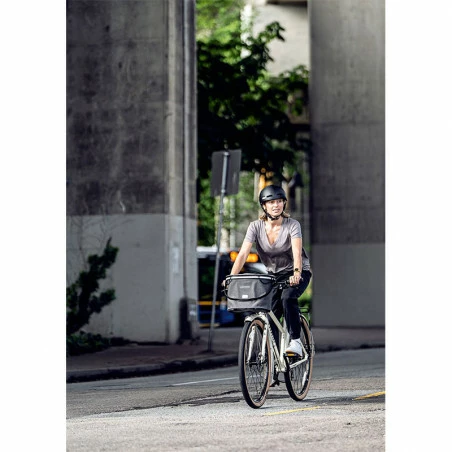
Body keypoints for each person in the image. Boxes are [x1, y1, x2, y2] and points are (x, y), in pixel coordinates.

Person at [228, 184, 312, 356]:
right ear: (264, 206)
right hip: (274, 275)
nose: (276, 205)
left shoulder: (292, 225)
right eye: (271, 202)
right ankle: (274, 356)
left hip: (297, 272)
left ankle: (296, 341)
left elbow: (297, 252)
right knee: (270, 312)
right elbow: (243, 254)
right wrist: (232, 277)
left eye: (279, 201)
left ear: (284, 204)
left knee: (288, 297)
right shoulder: (255, 227)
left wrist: (297, 273)